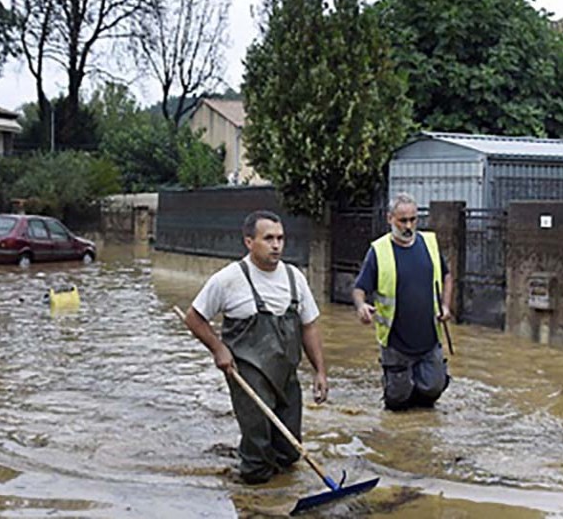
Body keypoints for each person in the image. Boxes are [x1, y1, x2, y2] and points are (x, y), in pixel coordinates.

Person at [182, 210, 328, 484]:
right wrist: (218, 349)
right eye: (268, 238)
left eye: (280, 238)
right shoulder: (228, 279)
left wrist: (320, 371)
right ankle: (253, 501)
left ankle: (281, 490)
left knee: (288, 452)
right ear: (249, 242)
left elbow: (309, 326)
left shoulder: (295, 277)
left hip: (286, 377)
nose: (276, 245)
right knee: (257, 463)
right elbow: (194, 318)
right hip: (248, 376)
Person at [352, 192, 454, 410]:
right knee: (397, 402)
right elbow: (360, 288)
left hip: (429, 338)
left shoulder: (430, 244)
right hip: (396, 342)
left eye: (413, 219)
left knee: (433, 391)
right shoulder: (378, 251)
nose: (409, 225)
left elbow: (447, 276)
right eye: (403, 220)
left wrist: (446, 305)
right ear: (390, 219)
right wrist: (361, 306)